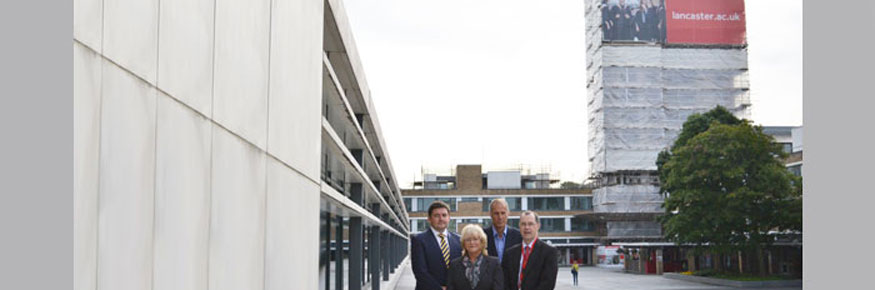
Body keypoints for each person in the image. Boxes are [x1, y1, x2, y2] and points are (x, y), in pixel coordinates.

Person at [412, 201, 463, 290]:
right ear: (429, 219)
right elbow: (420, 272)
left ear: (449, 218)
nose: (441, 219)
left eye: (444, 215)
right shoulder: (419, 240)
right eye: (436, 216)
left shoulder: (459, 240)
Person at [501, 211, 559, 290]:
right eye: (523, 224)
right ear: (519, 226)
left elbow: (547, 284)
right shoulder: (509, 254)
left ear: (538, 226)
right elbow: (505, 283)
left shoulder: (549, 252)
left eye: (530, 224)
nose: (526, 227)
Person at [446, 225, 505, 290]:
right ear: (463, 243)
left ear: (482, 242)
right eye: (468, 240)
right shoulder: (454, 265)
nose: (472, 242)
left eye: (475, 239)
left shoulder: (494, 264)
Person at [483, 198, 522, 264]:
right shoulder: (482, 236)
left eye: (503, 213)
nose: (500, 217)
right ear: (490, 214)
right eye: (496, 213)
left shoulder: (518, 236)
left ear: (508, 214)